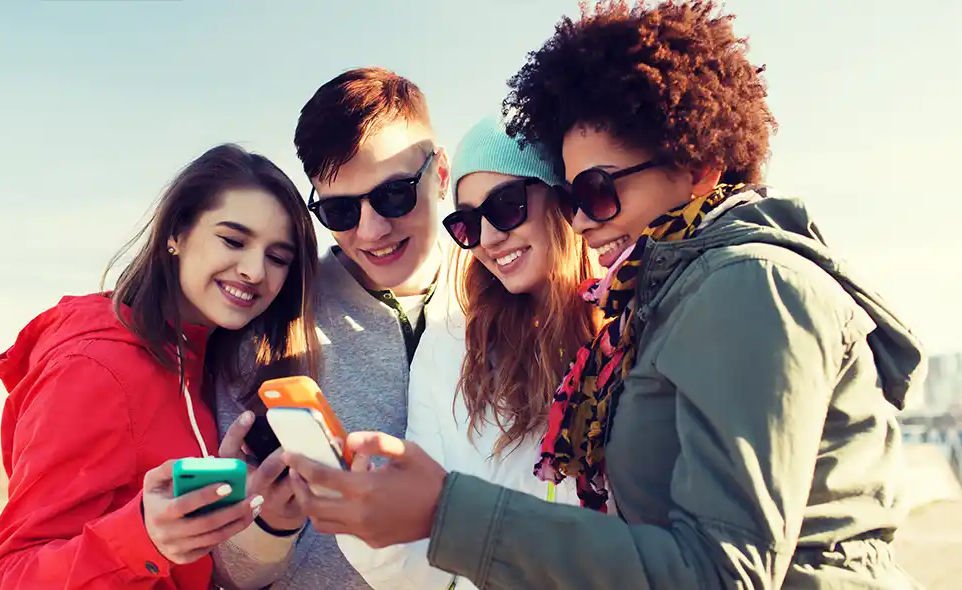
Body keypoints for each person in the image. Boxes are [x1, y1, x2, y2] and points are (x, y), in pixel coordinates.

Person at [281, 2, 927, 588]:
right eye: (574, 196)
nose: (584, 219)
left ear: (698, 164)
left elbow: (721, 570)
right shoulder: (656, 304)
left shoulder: (745, 285)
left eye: (594, 190)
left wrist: (447, 510)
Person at [0, 143, 321, 590]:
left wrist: (260, 516)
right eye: (233, 240)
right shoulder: (95, 368)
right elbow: (7, 578)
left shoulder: (206, 359)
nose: (255, 271)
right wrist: (143, 537)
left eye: (278, 258)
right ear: (175, 233)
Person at [334, 115, 602, 589]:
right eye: (468, 223)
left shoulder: (630, 331)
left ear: (558, 196)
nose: (491, 238)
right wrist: (359, 520)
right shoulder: (451, 343)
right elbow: (425, 560)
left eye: (507, 206)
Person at [212, 67, 454, 590]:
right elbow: (232, 576)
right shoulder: (268, 327)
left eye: (394, 196)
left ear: (440, 174)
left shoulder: (511, 297)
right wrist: (269, 524)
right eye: (341, 210)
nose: (371, 231)